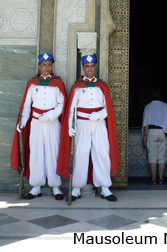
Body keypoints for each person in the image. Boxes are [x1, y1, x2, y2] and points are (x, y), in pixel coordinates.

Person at [57, 54, 119, 202]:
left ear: (95, 67)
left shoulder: (102, 86)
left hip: (98, 124)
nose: (90, 69)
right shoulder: (77, 87)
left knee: (102, 153)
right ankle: (76, 189)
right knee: (80, 155)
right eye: (87, 66)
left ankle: (105, 188)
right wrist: (69, 127)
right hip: (81, 124)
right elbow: (71, 109)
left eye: (92, 66)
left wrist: (100, 115)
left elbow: (108, 109)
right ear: (83, 68)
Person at [11, 53, 67, 200]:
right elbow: (27, 106)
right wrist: (22, 122)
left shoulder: (58, 83)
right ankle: (36, 186)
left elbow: (62, 104)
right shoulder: (32, 83)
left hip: (51, 122)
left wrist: (50, 116)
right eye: (44, 65)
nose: (47, 67)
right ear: (39, 66)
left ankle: (56, 186)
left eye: (49, 65)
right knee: (36, 153)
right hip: (35, 122)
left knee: (52, 152)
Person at [142, 91, 167, 185]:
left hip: (152, 132)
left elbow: (146, 123)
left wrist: (145, 136)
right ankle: (161, 179)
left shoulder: (148, 107)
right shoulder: (165, 106)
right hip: (163, 131)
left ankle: (154, 179)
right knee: (162, 156)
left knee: (152, 156)